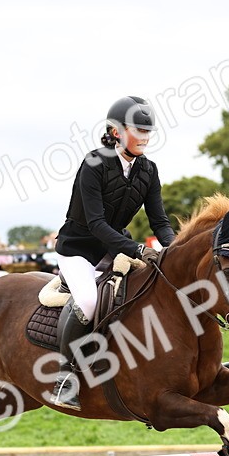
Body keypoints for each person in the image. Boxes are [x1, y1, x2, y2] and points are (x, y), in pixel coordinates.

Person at [51, 95, 176, 410]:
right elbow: (95, 223)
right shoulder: (94, 163)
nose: (145, 138)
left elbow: (159, 221)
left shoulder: (148, 170)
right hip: (78, 247)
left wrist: (174, 248)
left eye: (148, 132)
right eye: (139, 130)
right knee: (88, 300)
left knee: (156, 288)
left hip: (115, 246)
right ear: (116, 131)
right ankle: (65, 377)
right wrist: (138, 249)